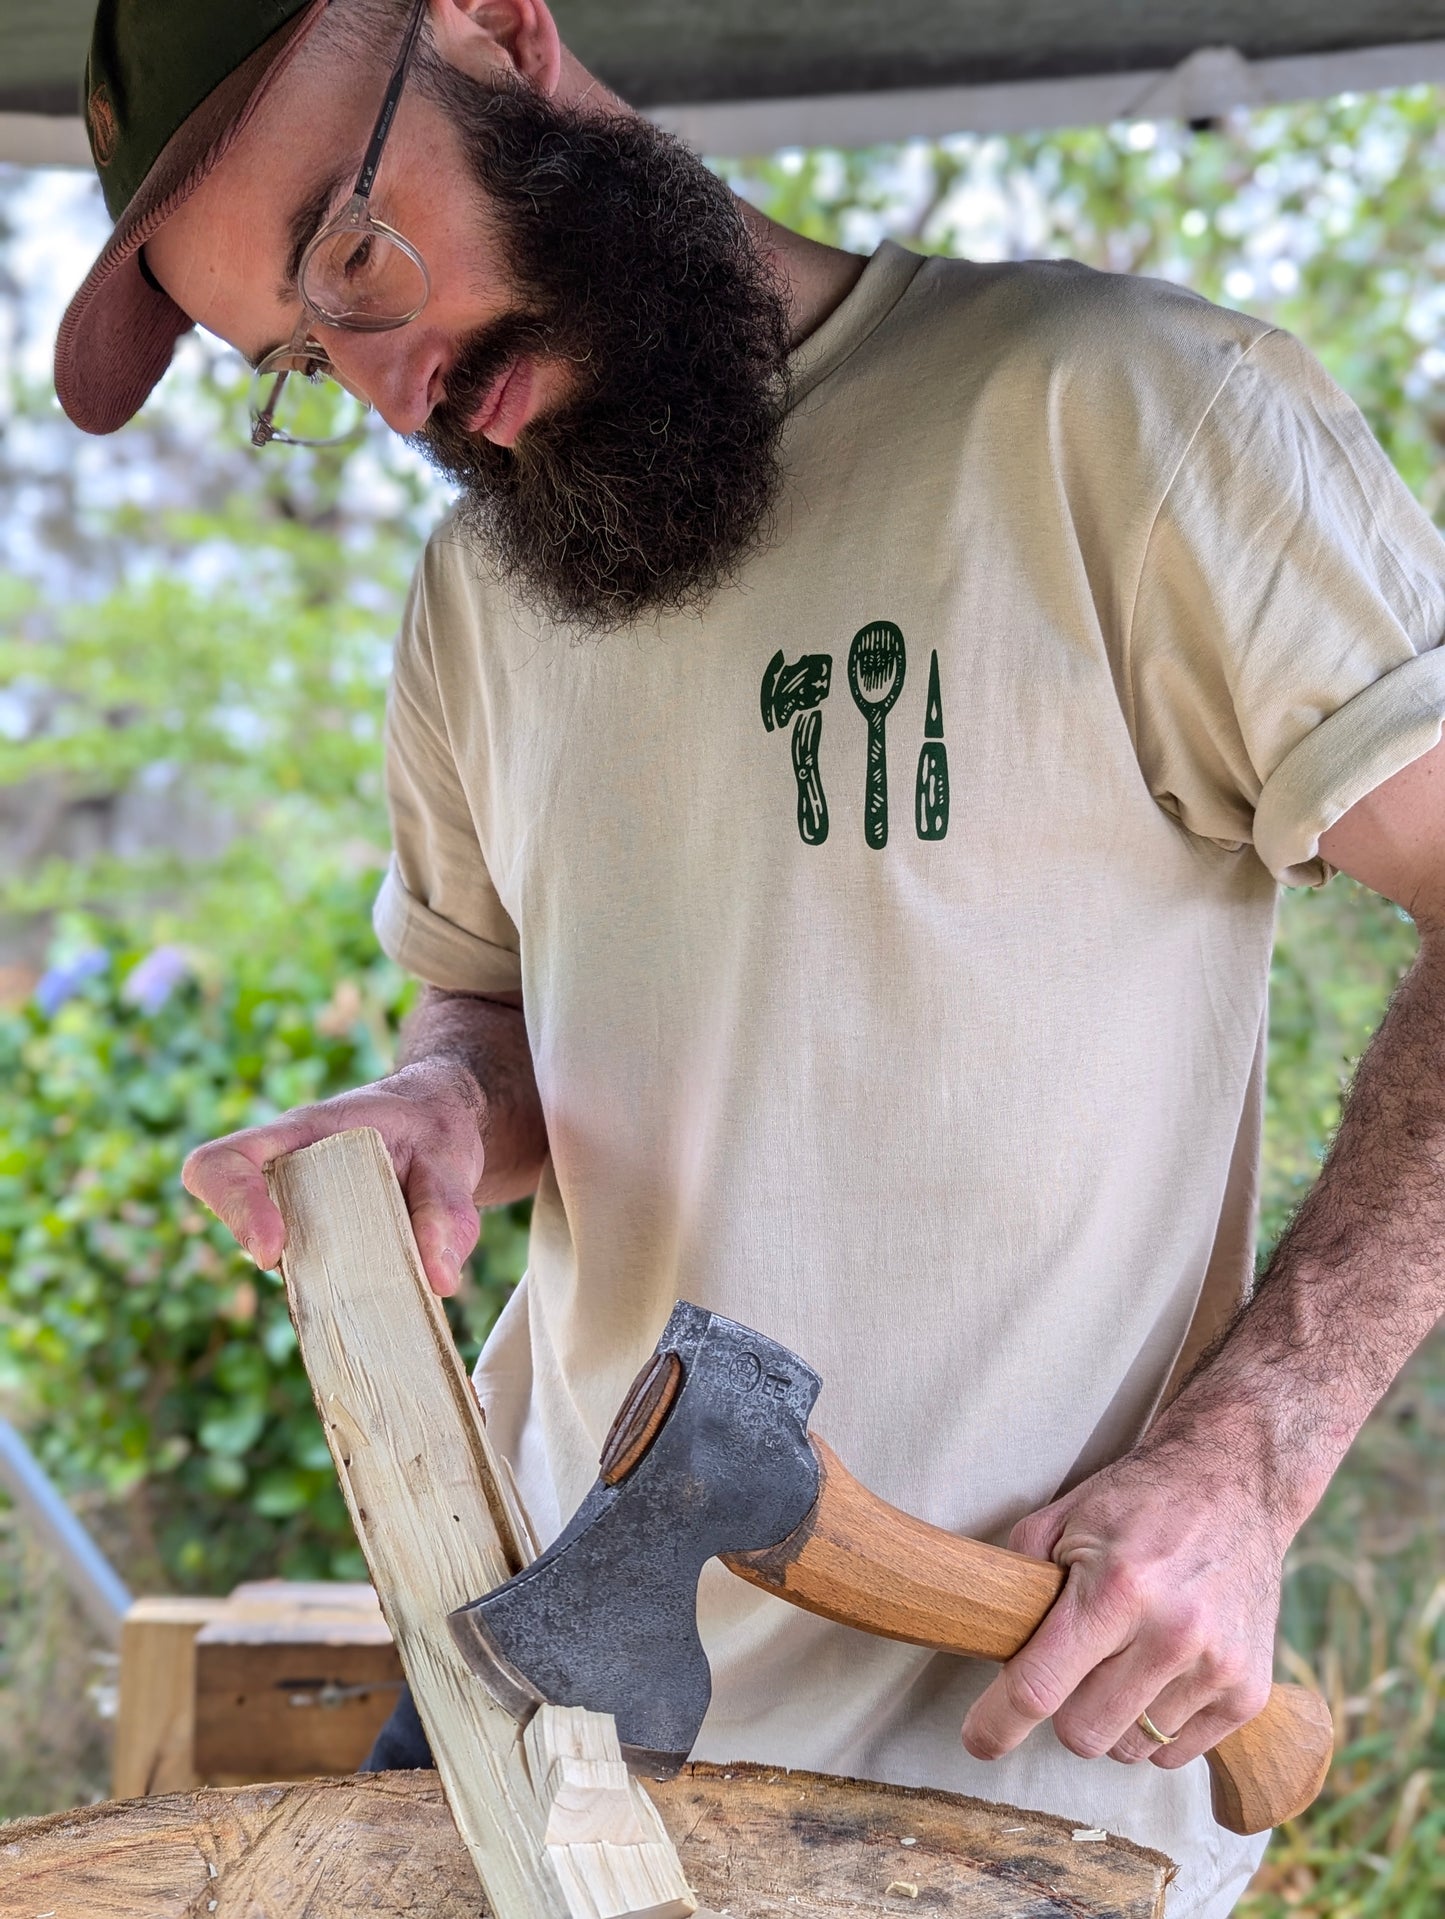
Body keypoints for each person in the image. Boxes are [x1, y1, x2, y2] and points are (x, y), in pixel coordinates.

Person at [55, 2, 1445, 1911]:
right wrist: (451, 1105)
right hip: (540, 1746)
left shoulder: (1115, 413)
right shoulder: (479, 596)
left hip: (998, 1778)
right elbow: (502, 1007)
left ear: (492, 27)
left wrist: (1248, 1467)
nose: (388, 387)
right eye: (303, 357)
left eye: (354, 255)